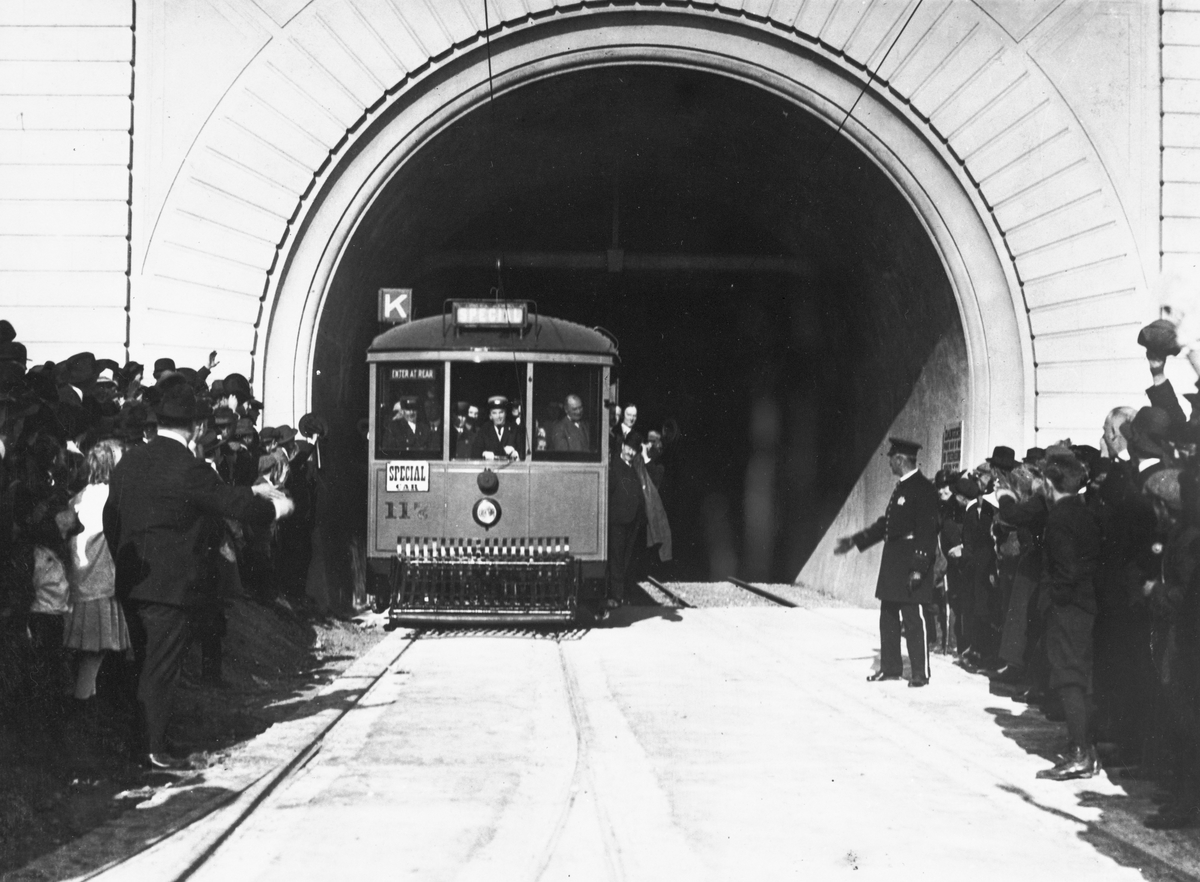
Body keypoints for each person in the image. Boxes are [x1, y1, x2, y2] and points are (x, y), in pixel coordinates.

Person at [103, 374, 293, 769]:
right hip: (172, 587)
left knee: (140, 663)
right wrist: (276, 507)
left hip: (132, 579)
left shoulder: (129, 461)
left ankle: (138, 743)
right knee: (159, 668)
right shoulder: (190, 468)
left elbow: (111, 518)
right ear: (196, 426)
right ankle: (153, 750)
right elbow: (234, 506)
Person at [835, 437, 939, 687]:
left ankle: (920, 673)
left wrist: (919, 567)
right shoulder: (902, 487)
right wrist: (856, 540)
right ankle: (890, 668)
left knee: (913, 618)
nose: (889, 463)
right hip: (894, 562)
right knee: (889, 616)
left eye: (891, 458)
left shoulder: (923, 489)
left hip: (910, 561)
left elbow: (927, 532)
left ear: (901, 459)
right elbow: (888, 524)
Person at [1035, 449, 1104, 780]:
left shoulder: (1059, 518)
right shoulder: (1085, 511)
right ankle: (1087, 751)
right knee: (1081, 678)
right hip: (1087, 605)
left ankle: (1079, 753)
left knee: (1068, 677)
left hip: (1069, 609)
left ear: (1049, 483)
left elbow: (1066, 570)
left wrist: (1054, 600)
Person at [63, 439, 130, 708]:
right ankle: (82, 706)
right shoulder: (113, 498)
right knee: (95, 651)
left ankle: (84, 702)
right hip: (101, 583)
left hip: (79, 580)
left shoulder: (78, 497)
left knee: (88, 652)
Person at [608, 431, 646, 608]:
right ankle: (615, 596)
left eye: (634, 450)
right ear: (623, 446)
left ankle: (620, 594)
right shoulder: (614, 466)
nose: (631, 452)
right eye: (629, 448)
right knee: (616, 559)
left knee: (624, 559)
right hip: (618, 521)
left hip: (631, 521)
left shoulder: (633, 466)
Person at [470, 395, 522, 461]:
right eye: (494, 413)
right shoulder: (484, 430)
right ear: (490, 416)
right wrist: (483, 454)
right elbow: (475, 455)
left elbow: (523, 453)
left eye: (501, 412)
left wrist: (516, 454)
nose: (498, 416)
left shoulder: (514, 429)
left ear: (505, 413)